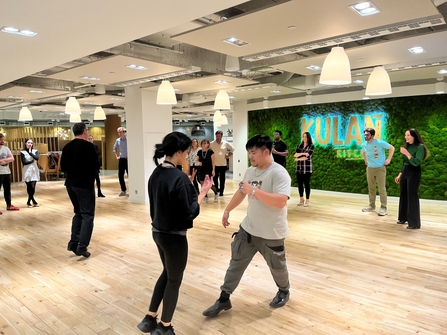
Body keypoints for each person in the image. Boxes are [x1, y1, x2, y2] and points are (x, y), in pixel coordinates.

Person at [202, 134, 291, 318]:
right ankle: (224, 298)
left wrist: (255, 191)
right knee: (235, 264)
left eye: (253, 152)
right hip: (248, 229)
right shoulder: (251, 171)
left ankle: (284, 290)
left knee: (277, 267)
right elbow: (242, 192)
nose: (250, 156)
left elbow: (281, 201)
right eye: (249, 152)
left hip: (271, 233)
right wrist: (227, 210)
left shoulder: (279, 173)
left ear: (266, 152)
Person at [137, 132, 212, 335]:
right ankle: (164, 326)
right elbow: (190, 212)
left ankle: (150, 318)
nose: (187, 155)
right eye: (186, 151)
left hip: (158, 232)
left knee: (167, 273)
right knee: (174, 280)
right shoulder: (179, 178)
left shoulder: (156, 173)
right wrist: (203, 191)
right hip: (174, 237)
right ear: (179, 151)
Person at [60, 123, 100, 258]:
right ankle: (82, 246)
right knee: (88, 215)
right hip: (84, 185)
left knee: (78, 213)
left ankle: (73, 243)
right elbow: (96, 165)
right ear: (84, 131)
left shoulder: (67, 147)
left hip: (70, 184)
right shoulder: (89, 147)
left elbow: (63, 167)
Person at [395, 129, 429, 230]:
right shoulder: (408, 146)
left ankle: (414, 223)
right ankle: (403, 217)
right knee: (403, 194)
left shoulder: (420, 147)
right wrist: (400, 174)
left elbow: (416, 162)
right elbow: (404, 163)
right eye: (405, 135)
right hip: (405, 171)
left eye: (408, 135)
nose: (406, 137)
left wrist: (407, 153)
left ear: (414, 136)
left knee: (412, 195)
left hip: (414, 172)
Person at [361, 128, 395, 216]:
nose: (365, 136)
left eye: (367, 135)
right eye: (364, 134)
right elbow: (364, 152)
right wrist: (366, 160)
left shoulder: (380, 143)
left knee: (381, 189)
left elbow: (392, 148)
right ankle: (372, 206)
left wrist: (388, 159)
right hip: (370, 169)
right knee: (371, 188)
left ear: (372, 135)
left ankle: (384, 207)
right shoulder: (364, 144)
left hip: (380, 169)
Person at [210, 130, 234, 197]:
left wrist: (228, 155)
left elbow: (232, 149)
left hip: (223, 164)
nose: (218, 137)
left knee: (222, 179)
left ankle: (221, 192)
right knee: (215, 179)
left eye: (219, 136)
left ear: (221, 136)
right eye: (217, 136)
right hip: (214, 165)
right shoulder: (211, 143)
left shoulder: (225, 143)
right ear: (215, 136)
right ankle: (217, 190)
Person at [0, 133, 19, 214]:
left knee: (7, 190)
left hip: (7, 172)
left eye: (3, 139)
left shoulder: (6, 148)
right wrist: (6, 159)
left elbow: (12, 158)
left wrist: (3, 161)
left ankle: (9, 205)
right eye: (1, 139)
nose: (2, 141)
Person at [294, 132, 314, 207]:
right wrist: (304, 154)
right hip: (299, 168)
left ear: (308, 138)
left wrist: (299, 158)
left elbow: (307, 157)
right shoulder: (300, 146)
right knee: (299, 184)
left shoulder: (311, 146)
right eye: (303, 136)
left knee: (306, 184)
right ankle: (301, 199)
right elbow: (295, 154)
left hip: (307, 169)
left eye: (306, 137)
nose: (304, 138)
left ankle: (307, 200)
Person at [20, 138, 40, 207]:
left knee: (33, 186)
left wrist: (31, 153)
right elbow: (24, 162)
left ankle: (29, 201)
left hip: (34, 170)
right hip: (27, 171)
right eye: (28, 142)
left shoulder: (35, 151)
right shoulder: (23, 152)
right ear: (25, 143)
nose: (30, 144)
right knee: (29, 186)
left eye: (31, 143)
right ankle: (33, 201)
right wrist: (32, 161)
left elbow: (37, 158)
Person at [113, 127, 128, 196]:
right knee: (120, 175)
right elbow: (115, 148)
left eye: (120, 132)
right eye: (118, 132)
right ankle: (123, 190)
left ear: (124, 132)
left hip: (128, 160)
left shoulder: (128, 139)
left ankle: (133, 189)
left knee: (130, 175)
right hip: (121, 159)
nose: (119, 134)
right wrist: (117, 156)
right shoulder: (118, 140)